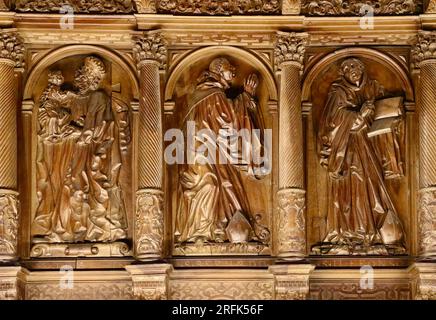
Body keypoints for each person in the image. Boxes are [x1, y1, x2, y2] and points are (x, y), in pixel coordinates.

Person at [315, 58, 406, 255]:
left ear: (363, 68)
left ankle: (370, 232)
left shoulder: (373, 88)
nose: (352, 70)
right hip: (347, 152)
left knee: (371, 186)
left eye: (356, 66)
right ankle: (351, 234)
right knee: (351, 188)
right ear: (343, 73)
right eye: (347, 68)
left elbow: (385, 111)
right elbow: (331, 124)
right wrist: (360, 115)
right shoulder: (337, 92)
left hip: (368, 147)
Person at [174, 57, 269, 244]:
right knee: (211, 185)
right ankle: (199, 233)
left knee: (220, 185)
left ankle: (208, 230)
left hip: (204, 152)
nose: (233, 74)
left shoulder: (203, 93)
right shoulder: (213, 95)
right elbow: (229, 120)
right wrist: (246, 95)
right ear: (218, 71)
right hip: (201, 152)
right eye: (229, 70)